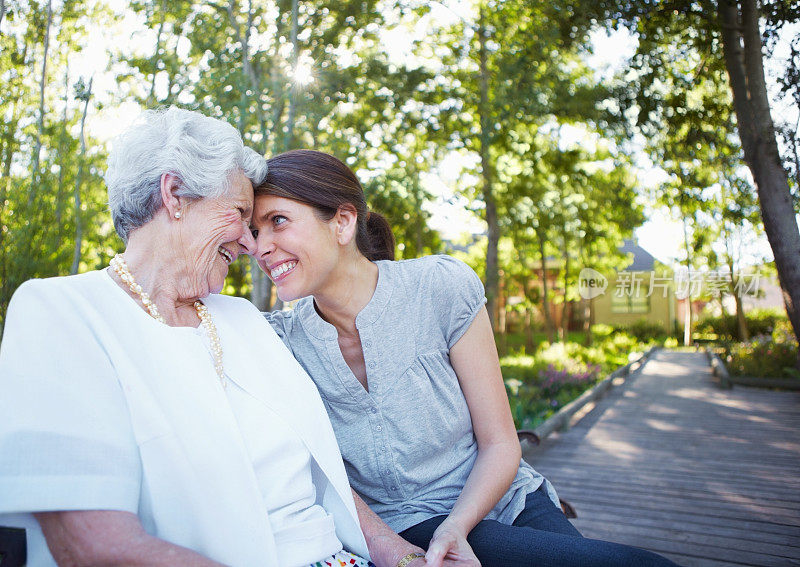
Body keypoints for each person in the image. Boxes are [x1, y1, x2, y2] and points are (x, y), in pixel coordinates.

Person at [0, 109, 453, 567]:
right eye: (239, 214)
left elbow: (324, 480)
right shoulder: (64, 312)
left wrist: (406, 558)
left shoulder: (244, 319)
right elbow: (96, 548)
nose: (250, 244)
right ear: (174, 194)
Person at [251, 149, 682, 567]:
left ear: (343, 222)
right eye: (254, 231)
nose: (260, 247)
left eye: (278, 221)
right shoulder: (277, 343)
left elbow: (500, 442)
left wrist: (457, 526)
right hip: (409, 524)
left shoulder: (439, 288)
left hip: (506, 498)